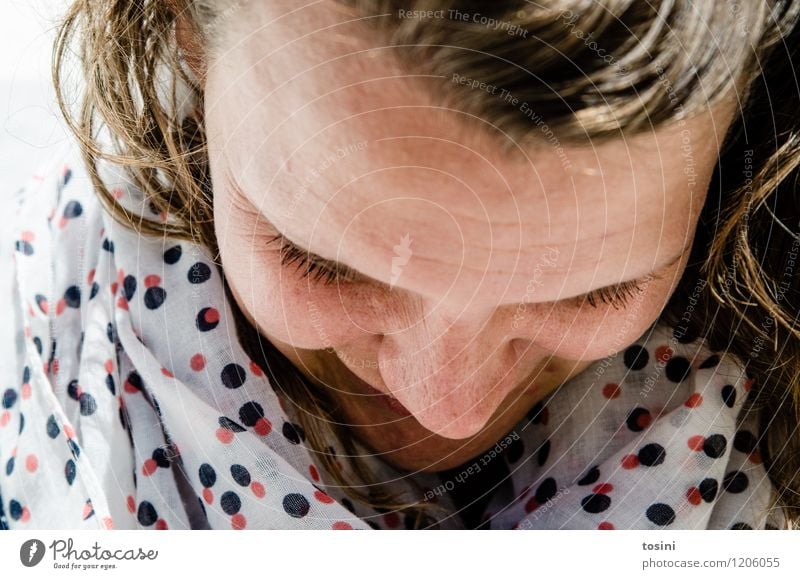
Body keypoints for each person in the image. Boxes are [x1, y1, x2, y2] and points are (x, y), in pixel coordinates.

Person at [0, 0, 798, 530]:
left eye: (595, 290)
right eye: (324, 263)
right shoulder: (40, 332)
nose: (450, 405)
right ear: (182, 25)